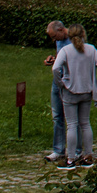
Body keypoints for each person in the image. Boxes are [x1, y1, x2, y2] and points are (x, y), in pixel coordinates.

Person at [53, 24, 97, 168]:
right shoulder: (91, 49)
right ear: (83, 34)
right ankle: (88, 157)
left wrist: (61, 83)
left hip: (70, 91)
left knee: (71, 125)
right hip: (87, 91)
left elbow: (55, 68)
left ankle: (71, 159)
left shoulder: (66, 50)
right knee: (85, 123)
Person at [43, 20, 69, 164]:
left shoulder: (74, 39)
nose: (54, 40)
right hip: (57, 79)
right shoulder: (59, 41)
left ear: (60, 30)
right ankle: (58, 150)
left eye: (54, 37)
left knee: (72, 118)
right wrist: (53, 60)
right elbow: (60, 56)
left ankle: (75, 150)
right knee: (57, 115)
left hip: (69, 81)